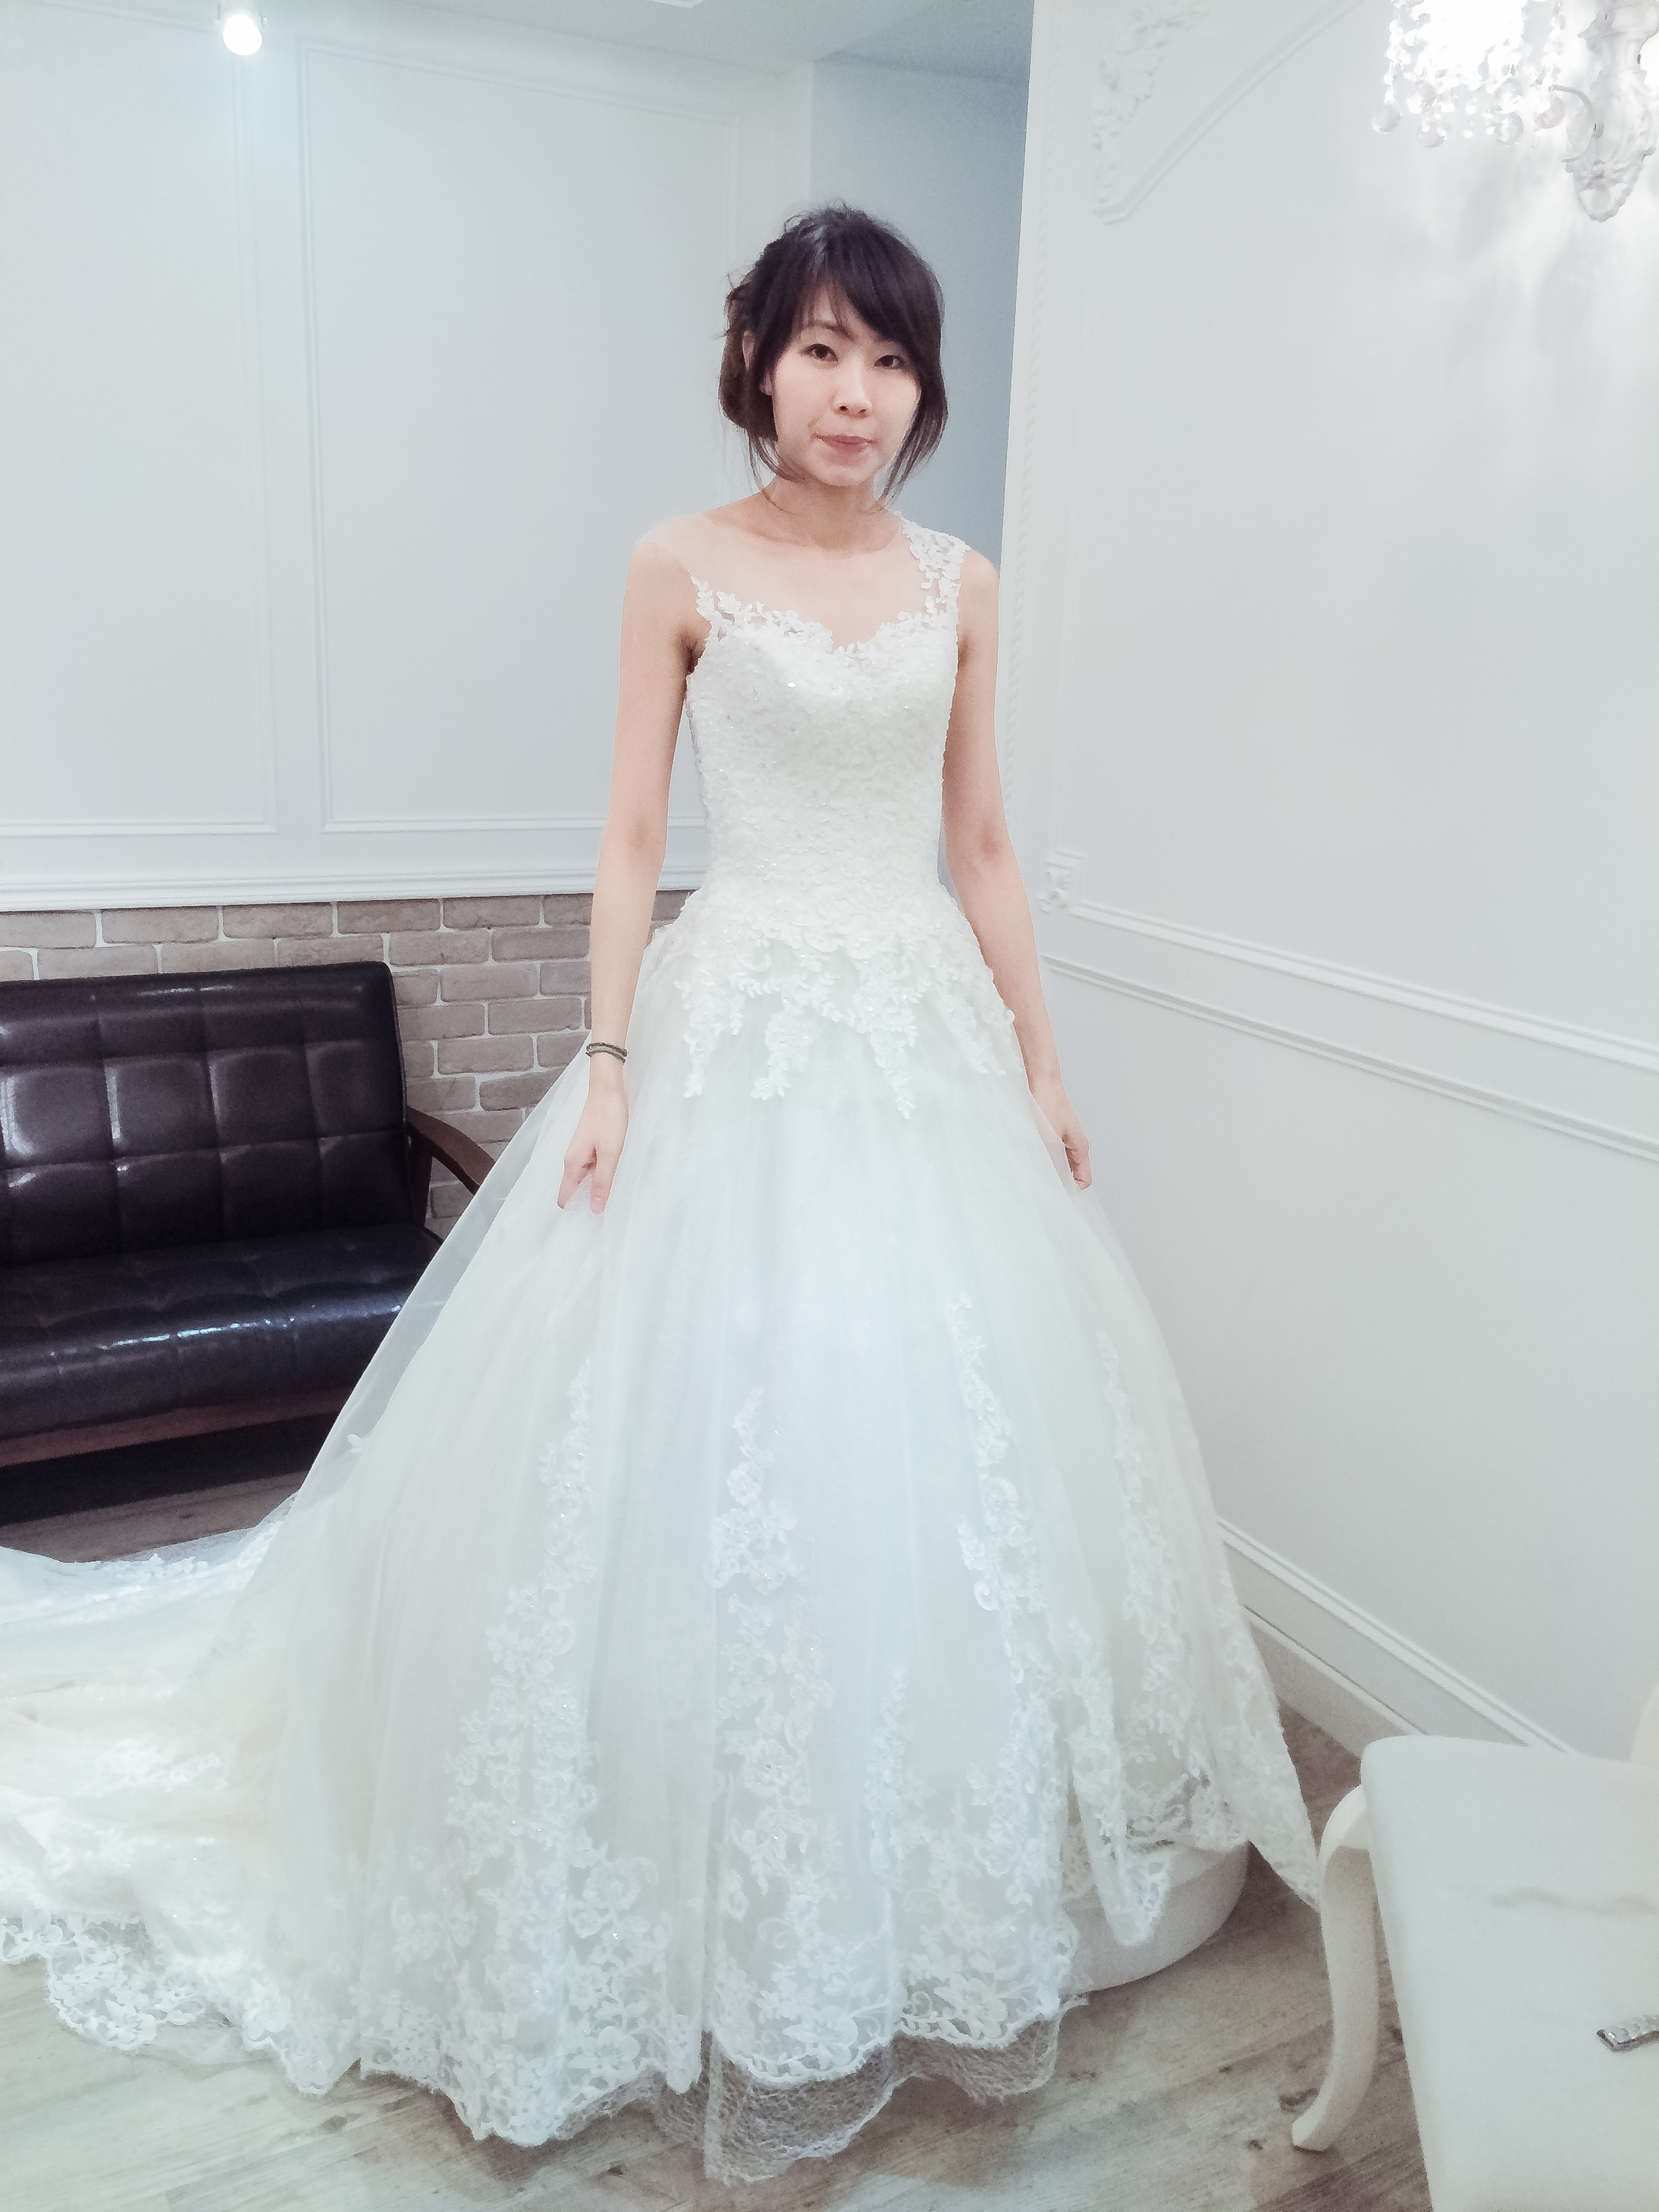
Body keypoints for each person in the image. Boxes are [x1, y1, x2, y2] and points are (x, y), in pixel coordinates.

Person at [0, 204, 1316, 2186]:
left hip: (919, 1035)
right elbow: (627, 835)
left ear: (923, 386)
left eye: (890, 356)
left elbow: (978, 842)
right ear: (756, 363)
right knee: (701, 1420)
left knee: (937, 1421)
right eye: (821, 350)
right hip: (736, 1022)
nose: (856, 392)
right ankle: (665, 1830)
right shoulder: (677, 564)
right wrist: (608, 1059)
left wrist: (1042, 1060)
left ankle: (916, 1841)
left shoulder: (963, 583)